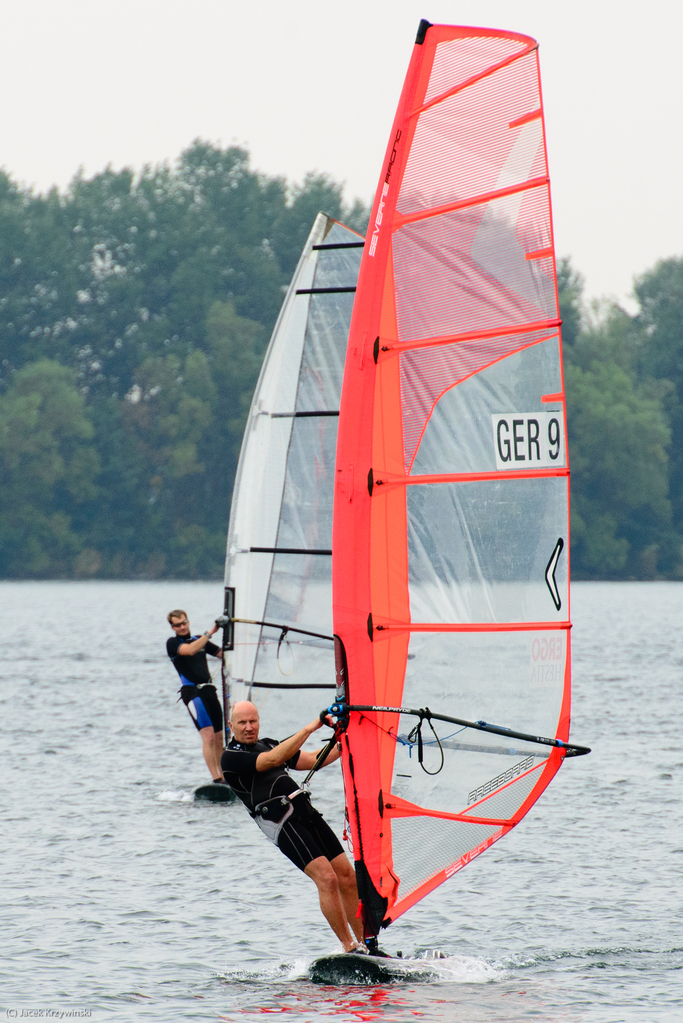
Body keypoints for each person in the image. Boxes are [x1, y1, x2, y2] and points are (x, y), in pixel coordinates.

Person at [221, 700, 366, 953]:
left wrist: (345, 741)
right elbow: (273, 759)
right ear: (231, 725)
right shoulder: (231, 757)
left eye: (252, 721)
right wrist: (314, 726)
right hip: (282, 822)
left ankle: (368, 946)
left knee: (346, 875)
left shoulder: (267, 742)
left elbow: (313, 760)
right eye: (242, 723)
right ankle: (349, 946)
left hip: (304, 811)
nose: (248, 727)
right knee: (327, 878)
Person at [166, 609, 225, 783]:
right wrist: (211, 632)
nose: (182, 627)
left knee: (220, 736)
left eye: (184, 622)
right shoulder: (172, 643)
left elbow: (223, 654)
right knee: (208, 736)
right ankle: (216, 778)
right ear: (172, 627)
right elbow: (190, 650)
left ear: (188, 622)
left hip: (209, 691)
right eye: (177, 625)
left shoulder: (200, 639)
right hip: (192, 693)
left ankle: (225, 776)